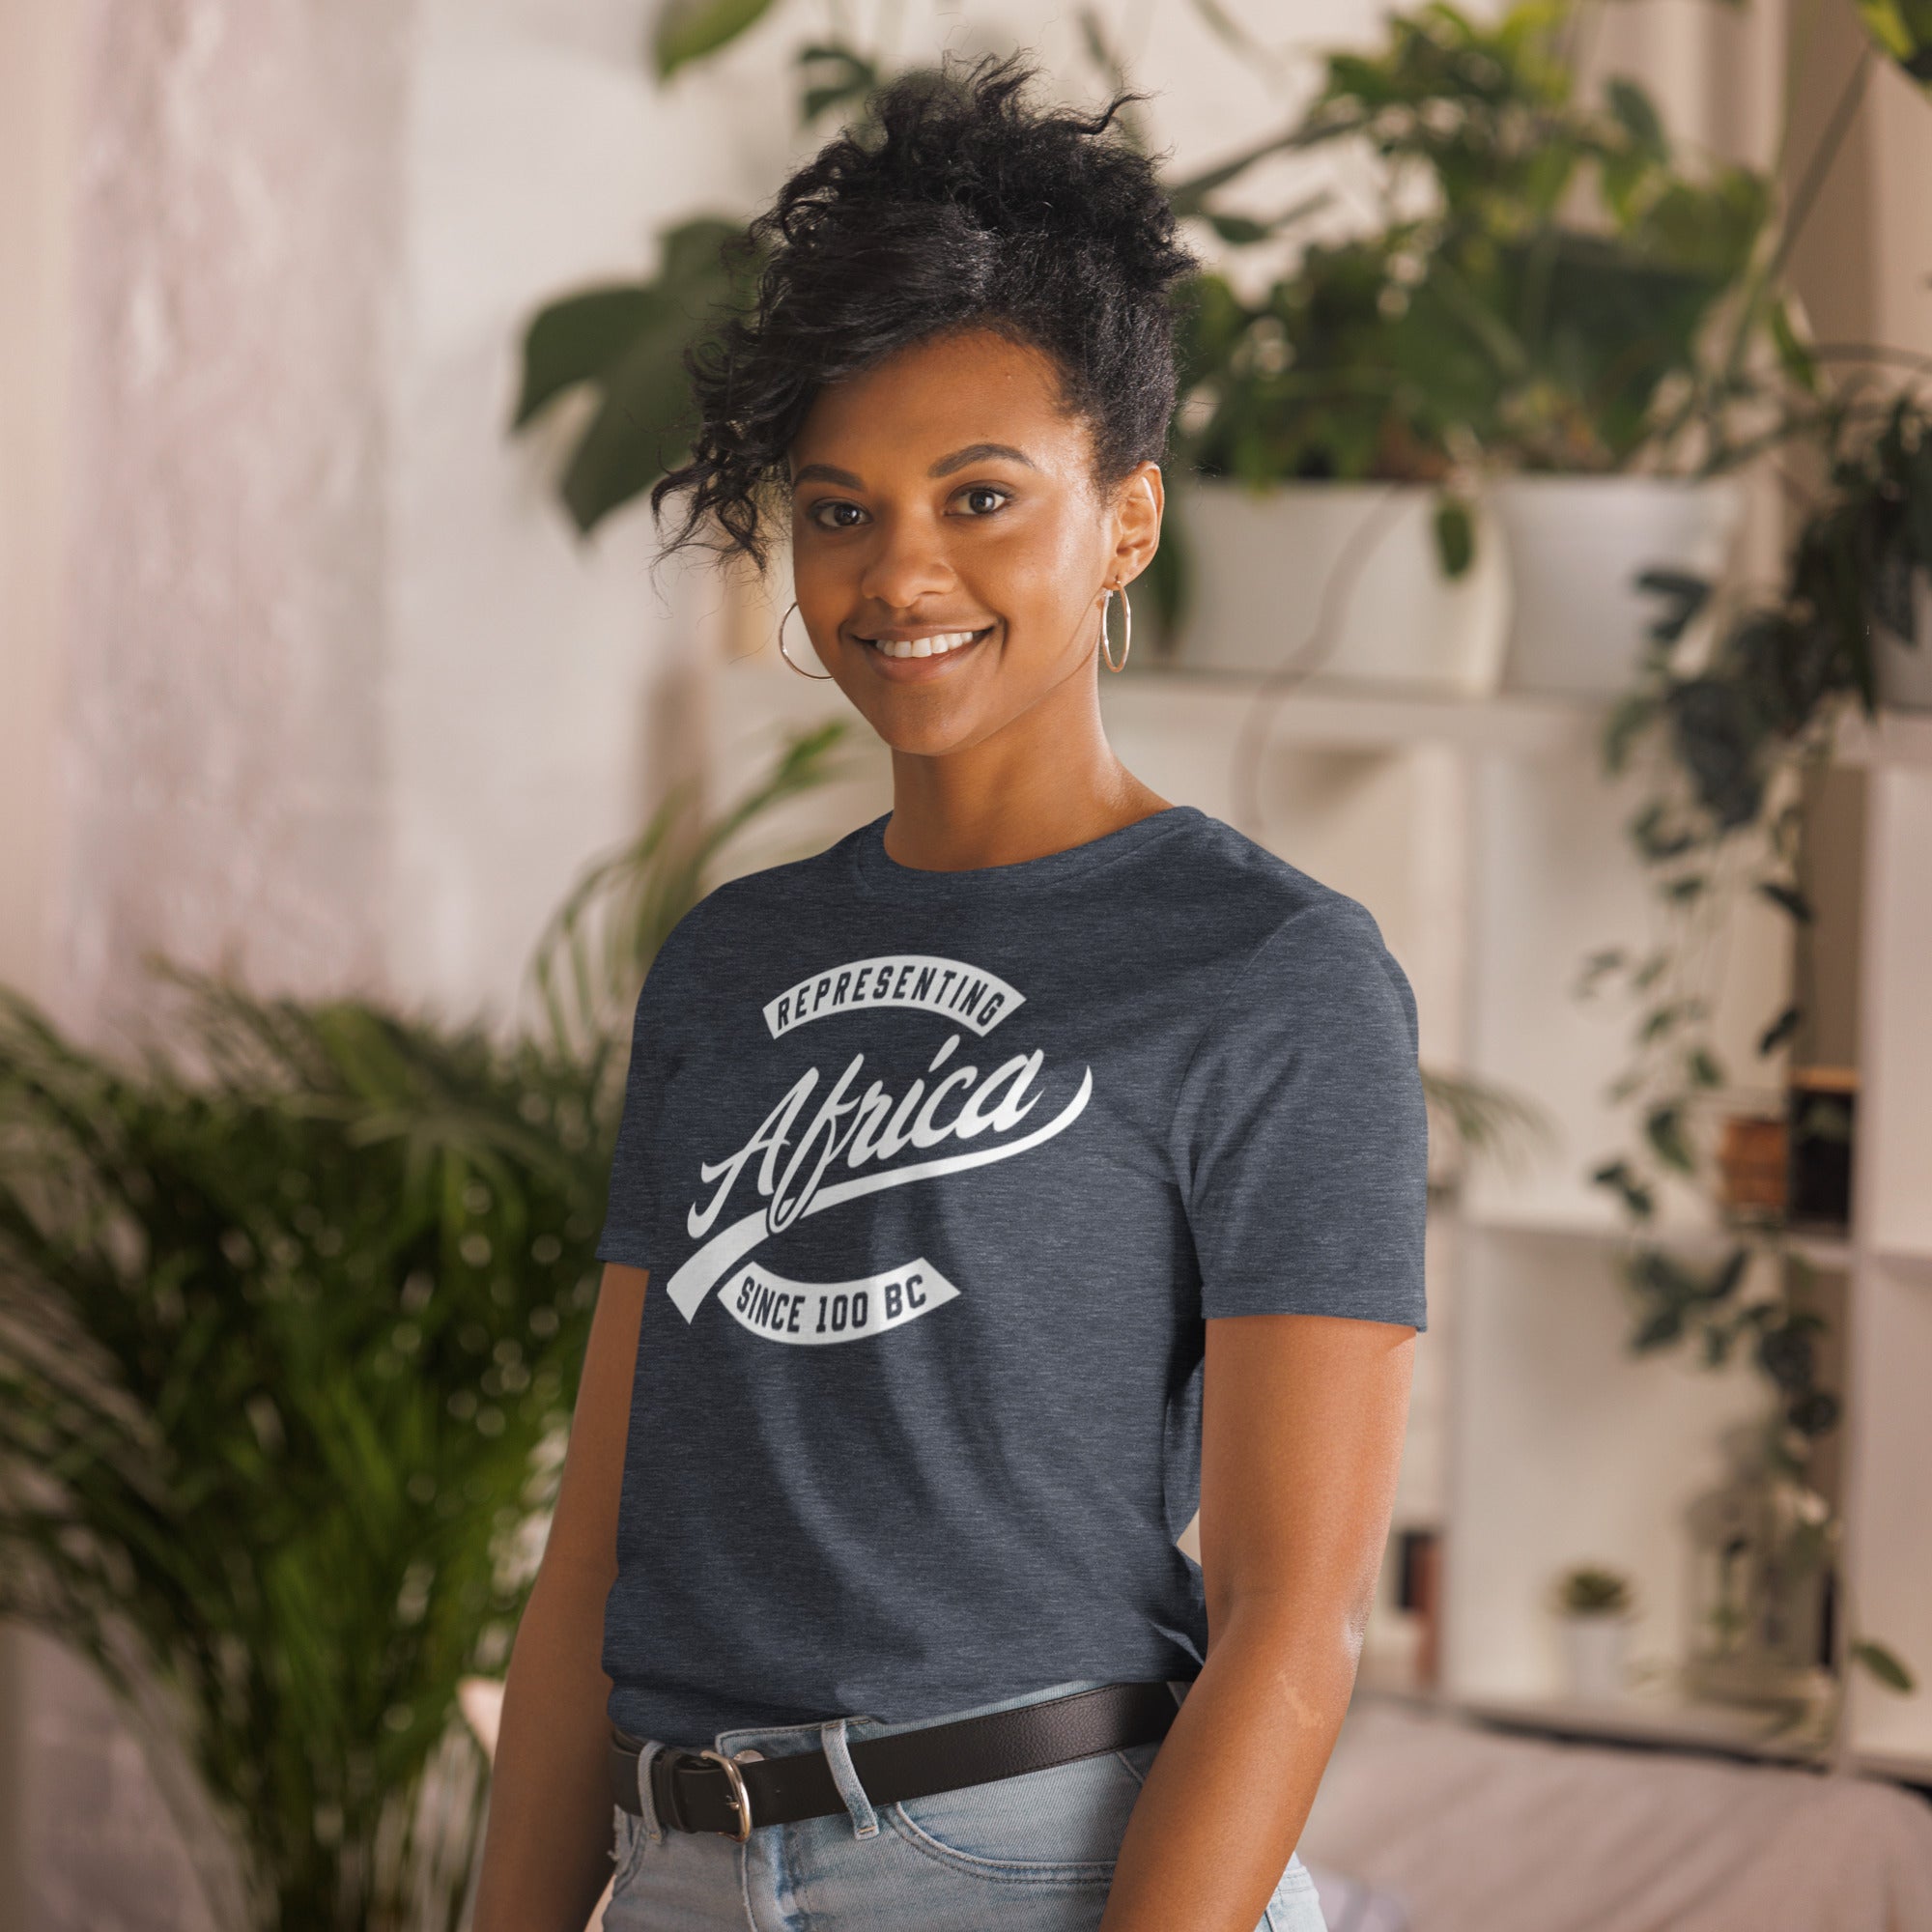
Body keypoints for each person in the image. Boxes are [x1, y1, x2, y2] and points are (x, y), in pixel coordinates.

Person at [470, 50, 1425, 1932]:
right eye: (838, 510)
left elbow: (1292, 1617)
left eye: (980, 495)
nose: (899, 571)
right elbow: (600, 1547)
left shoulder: (1271, 972)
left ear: (1124, 519)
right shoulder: (729, 962)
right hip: (677, 1868)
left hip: (1030, 1862)